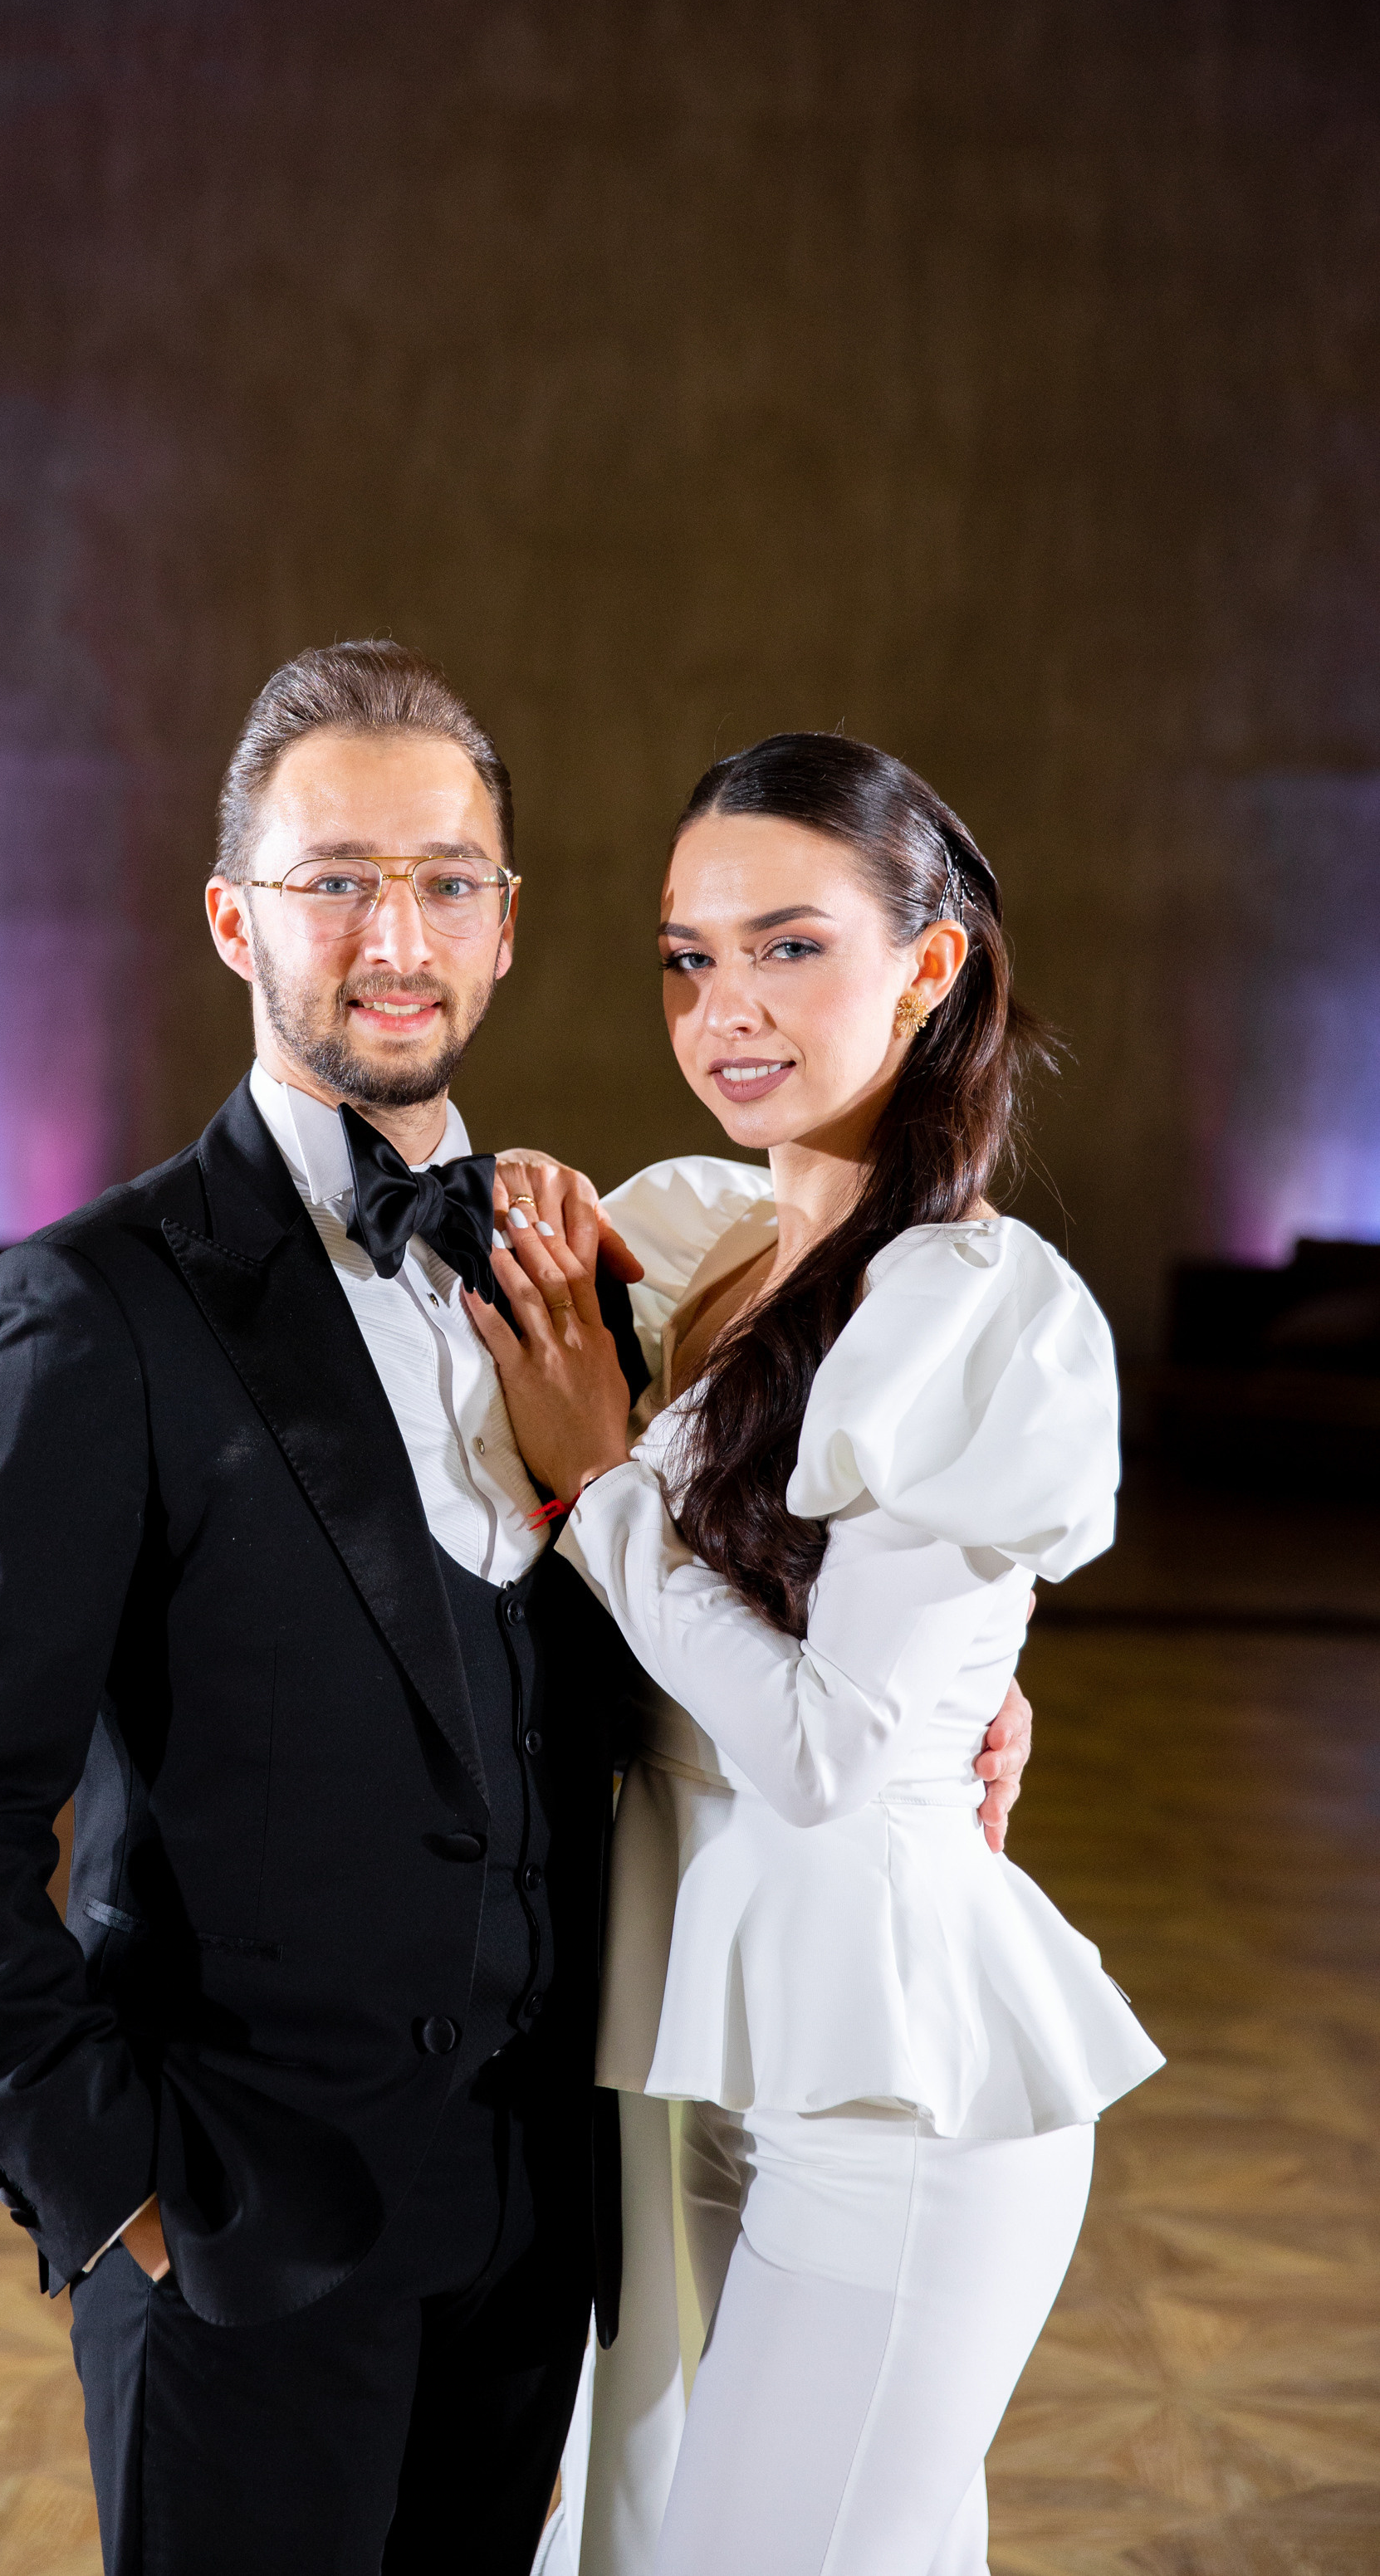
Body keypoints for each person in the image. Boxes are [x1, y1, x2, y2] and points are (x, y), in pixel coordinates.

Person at [0, 650, 1033, 2576]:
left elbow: (734, 1589)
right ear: (236, 916)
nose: (392, 934)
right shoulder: (95, 1309)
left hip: (544, 2225)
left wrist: (964, 1689)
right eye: (334, 880)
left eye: (446, 879)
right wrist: (125, 2193)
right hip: (242, 2233)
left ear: (503, 926)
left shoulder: (597, 1263)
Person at [468, 735, 1162, 2576]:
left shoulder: (976, 1302)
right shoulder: (720, 1244)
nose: (725, 1007)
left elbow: (832, 1754)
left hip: (886, 2082)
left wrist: (601, 1490)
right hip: (706, 2036)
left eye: (788, 947)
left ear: (929, 970)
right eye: (688, 957)